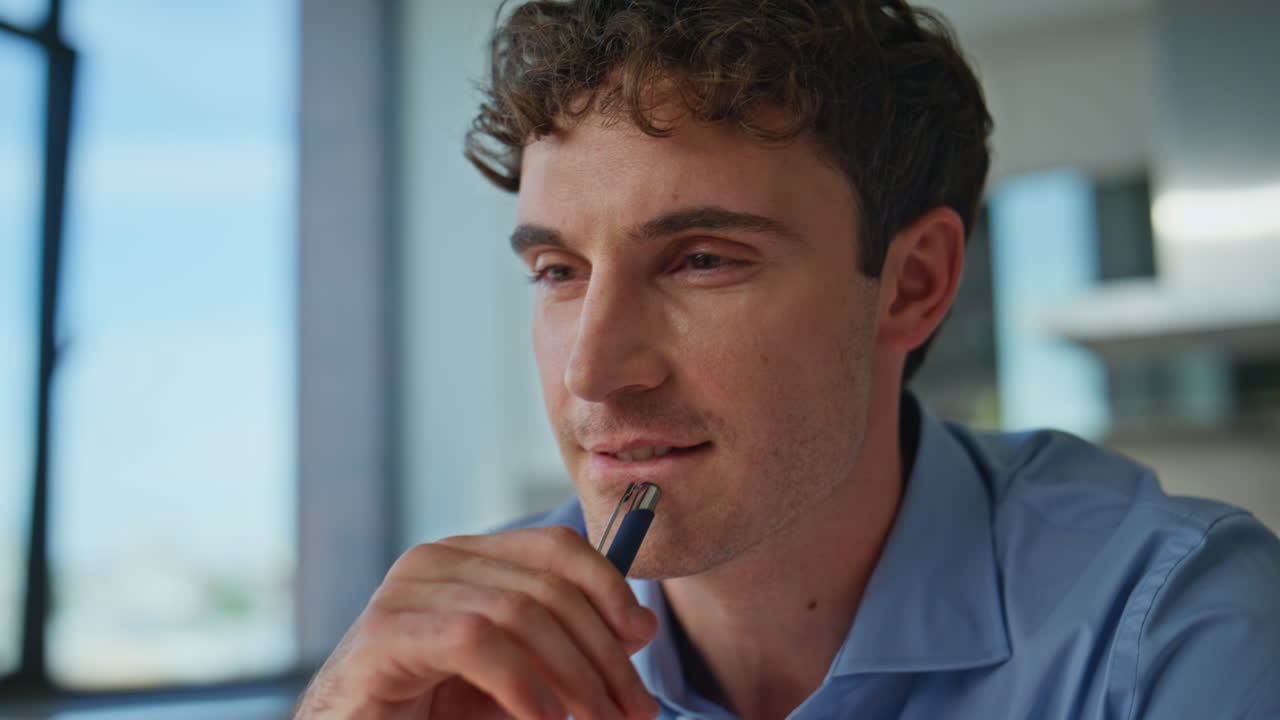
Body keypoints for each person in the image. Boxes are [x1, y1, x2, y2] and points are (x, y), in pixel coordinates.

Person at [295, 1, 1280, 718]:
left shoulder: (1173, 631)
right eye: (557, 271)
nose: (590, 372)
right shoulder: (476, 654)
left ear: (911, 284)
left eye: (701, 260)